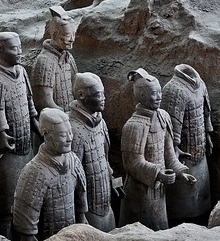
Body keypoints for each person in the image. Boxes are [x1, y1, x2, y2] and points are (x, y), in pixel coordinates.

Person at [0, 32, 41, 239]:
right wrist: (1, 134)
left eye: (20, 47)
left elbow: (28, 100)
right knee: (4, 202)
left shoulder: (21, 72)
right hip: (7, 152)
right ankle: (2, 235)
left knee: (26, 198)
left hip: (25, 147)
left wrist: (35, 122)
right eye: (14, 48)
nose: (20, 52)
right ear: (0, 50)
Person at [119, 68, 196, 230]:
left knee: (160, 230)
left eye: (160, 92)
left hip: (158, 188)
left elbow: (168, 153)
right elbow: (132, 164)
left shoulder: (163, 116)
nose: (160, 96)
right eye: (155, 93)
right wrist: (159, 174)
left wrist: (180, 172)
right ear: (142, 96)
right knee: (140, 233)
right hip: (139, 193)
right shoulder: (134, 126)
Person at [13, 108, 88, 240]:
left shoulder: (74, 161)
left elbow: (81, 201)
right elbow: (26, 229)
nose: (70, 138)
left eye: (70, 132)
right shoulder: (34, 172)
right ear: (45, 134)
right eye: (63, 135)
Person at [161, 64, 212, 224]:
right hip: (183, 158)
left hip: (201, 153)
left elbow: (205, 113)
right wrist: (174, 151)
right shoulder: (173, 90)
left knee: (202, 204)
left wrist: (208, 135)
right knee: (182, 209)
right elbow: (169, 129)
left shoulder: (200, 84)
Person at [69, 72, 119, 232]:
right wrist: (80, 213)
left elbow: (104, 157)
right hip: (89, 208)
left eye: (103, 93)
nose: (104, 98)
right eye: (98, 95)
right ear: (81, 95)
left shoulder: (100, 121)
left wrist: (111, 178)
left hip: (105, 201)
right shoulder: (73, 130)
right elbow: (73, 178)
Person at [31, 6, 77, 114]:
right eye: (67, 35)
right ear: (54, 34)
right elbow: (44, 102)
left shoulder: (68, 57)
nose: (72, 39)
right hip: (55, 119)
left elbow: (76, 88)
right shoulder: (44, 62)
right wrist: (65, 117)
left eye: (73, 34)